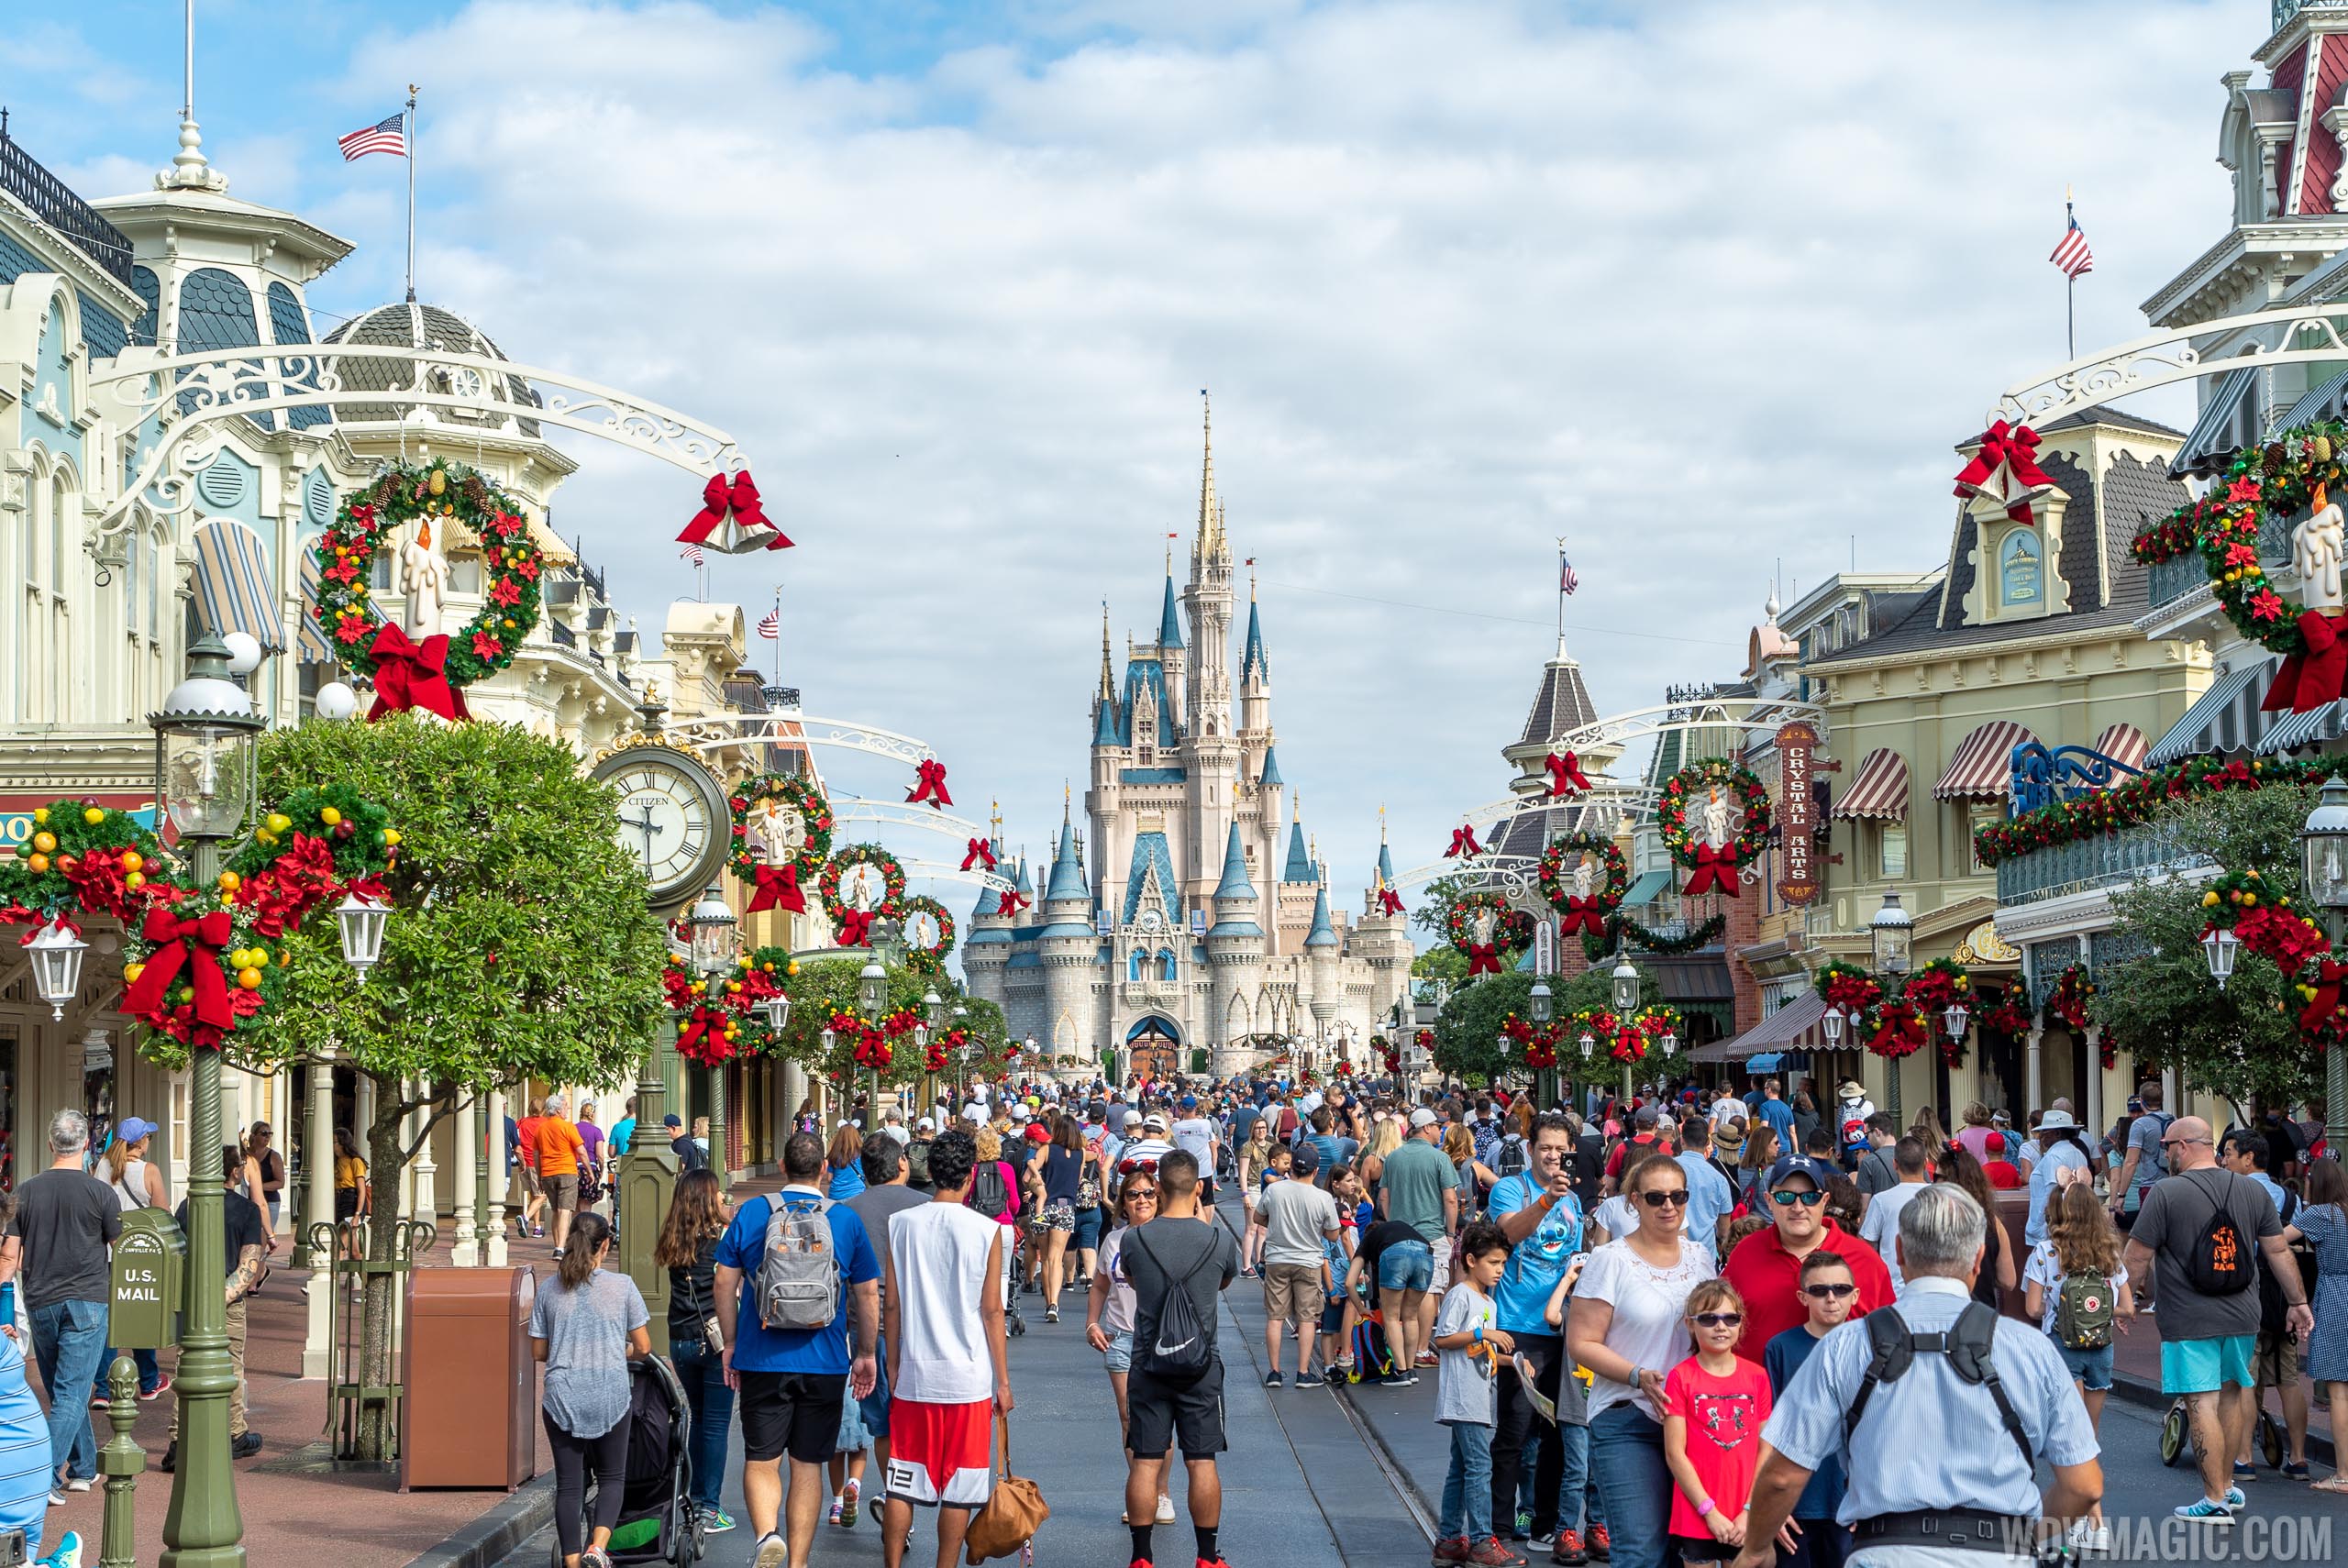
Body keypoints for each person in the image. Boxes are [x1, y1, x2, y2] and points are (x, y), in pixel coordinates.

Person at [1731, 1185, 2104, 1568]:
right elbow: (2084, 1485)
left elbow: (1781, 1477)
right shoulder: (2031, 1348)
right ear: (1978, 1259)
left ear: (1900, 1253)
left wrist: (1757, 1548)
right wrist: (2025, 1538)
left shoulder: (1846, 1345)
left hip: (1885, 1552)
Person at [2121, 1115, 2309, 1523]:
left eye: (2168, 1146)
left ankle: (2213, 1499)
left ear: (2185, 1145)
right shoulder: (2251, 1192)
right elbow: (2278, 1251)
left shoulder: (2166, 1193)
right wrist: (2298, 1301)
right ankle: (2226, 1487)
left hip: (2190, 1318)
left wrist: (2123, 1302)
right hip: (2244, 1314)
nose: (2165, 1153)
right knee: (2230, 1393)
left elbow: (2137, 1255)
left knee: (2199, 1399)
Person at [715, 1131, 882, 1568]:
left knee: (762, 1459)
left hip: (761, 1357)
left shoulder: (754, 1212)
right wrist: (865, 1354)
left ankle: (767, 1535)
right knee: (808, 1466)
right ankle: (798, 1562)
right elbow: (866, 1294)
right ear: (824, 1170)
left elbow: (723, 1281)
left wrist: (730, 1343)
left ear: (783, 1167)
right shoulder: (844, 1220)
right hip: (825, 1360)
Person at [1565, 1147, 1716, 1568]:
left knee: (1686, 1550)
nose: (1669, 1206)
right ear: (1634, 1200)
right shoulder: (1610, 1260)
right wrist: (1637, 1375)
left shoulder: (1701, 1258)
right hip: (1627, 1416)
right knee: (1641, 1551)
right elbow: (1582, 1342)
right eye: (1655, 1197)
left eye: (1678, 1197)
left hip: (1692, 1420)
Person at [879, 1127, 1013, 1568]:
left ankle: (893, 1563)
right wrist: (1003, 1381)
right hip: (968, 1376)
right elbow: (992, 1311)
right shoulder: (986, 1230)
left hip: (916, 1371)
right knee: (960, 1486)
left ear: (930, 1173)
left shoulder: (901, 1225)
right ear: (971, 1176)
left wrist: (893, 1363)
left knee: (903, 1479)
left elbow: (892, 1304)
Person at [1118, 1148, 1239, 1568]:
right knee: (1201, 1460)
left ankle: (1141, 1556)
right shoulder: (1219, 1238)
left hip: (1148, 1364)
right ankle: (1207, 1556)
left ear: (1160, 1188)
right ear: (1199, 1188)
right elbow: (1224, 1281)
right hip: (1202, 1367)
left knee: (1147, 1461)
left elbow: (1131, 1278)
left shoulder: (1134, 1238)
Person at [0, 1111, 118, 1499]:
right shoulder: (101, 1193)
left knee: (63, 1389)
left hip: (42, 1299)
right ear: (86, 1145)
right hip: (87, 1299)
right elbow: (121, 1249)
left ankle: (84, 1466)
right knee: (70, 1392)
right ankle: (41, 1478)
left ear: (52, 1144)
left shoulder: (26, 1191)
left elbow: (9, 1256)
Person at [1485, 1113, 1583, 1551]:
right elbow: (1508, 1232)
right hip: (1518, 1326)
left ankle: (1546, 1521)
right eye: (1546, 1147)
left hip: (1563, 1327)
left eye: (1561, 1149)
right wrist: (1545, 1201)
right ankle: (1500, 1528)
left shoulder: (1573, 1201)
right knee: (1515, 1431)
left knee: (1559, 1432)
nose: (1554, 1156)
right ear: (1531, 1150)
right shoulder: (1512, 1188)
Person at [531, 1213, 650, 1568]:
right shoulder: (623, 1286)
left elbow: (538, 1352)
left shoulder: (549, 1288)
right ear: (605, 1246)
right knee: (613, 1476)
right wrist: (618, 1350)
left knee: (570, 1484)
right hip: (609, 1394)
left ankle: (571, 1562)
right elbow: (643, 1347)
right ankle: (597, 1548)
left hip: (562, 1396)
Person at [2021, 1180, 2132, 1552]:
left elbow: (2033, 1309)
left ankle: (2093, 1520)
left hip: (2062, 1349)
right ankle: (2092, 1522)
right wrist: (2098, 1311)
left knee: (2070, 1438)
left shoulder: (2046, 1251)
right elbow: (2128, 1308)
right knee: (2090, 1436)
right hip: (2100, 1349)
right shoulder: (2110, 1254)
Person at [1721, 1154, 1893, 1364]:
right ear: (1769, 1201)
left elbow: (1888, 1343)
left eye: (1810, 1197)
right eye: (1785, 1197)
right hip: (1765, 1393)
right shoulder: (1745, 1255)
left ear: (1824, 1201)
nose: (1798, 1208)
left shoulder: (1865, 1261)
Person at [159, 1143, 269, 1471]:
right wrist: (220, 1296)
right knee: (232, 1365)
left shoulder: (187, 1206)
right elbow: (248, 1265)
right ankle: (235, 1433)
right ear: (236, 1172)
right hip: (227, 1301)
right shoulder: (247, 1211)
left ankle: (179, 1440)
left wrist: (198, 1296)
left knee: (185, 1367)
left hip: (191, 1299)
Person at [847, 1132, 935, 1530]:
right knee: (911, 1420)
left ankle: (897, 1498)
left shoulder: (848, 1211)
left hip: (866, 1331)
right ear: (902, 1164)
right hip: (917, 1329)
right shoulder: (925, 1206)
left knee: (881, 1424)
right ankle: (907, 1498)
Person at [2220, 1128, 2312, 1479]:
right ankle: (2299, 1458)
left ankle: (2244, 1458)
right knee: (2288, 1377)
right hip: (2284, 1295)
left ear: (2248, 1158)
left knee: (2245, 1377)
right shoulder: (2290, 1198)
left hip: (2249, 1291)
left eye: (2229, 1153)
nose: (2224, 1160)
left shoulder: (2236, 1193)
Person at [1087, 1172, 1177, 1527]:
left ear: (1160, 1198)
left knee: (1160, 1417)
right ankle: (1143, 1492)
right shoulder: (1113, 1240)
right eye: (1134, 1194)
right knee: (1130, 1417)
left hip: (1161, 1340)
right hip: (1121, 1337)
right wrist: (1092, 1323)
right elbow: (1099, 1286)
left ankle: (1162, 1492)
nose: (1142, 1200)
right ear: (1123, 1202)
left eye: (1149, 1194)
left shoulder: (1169, 1236)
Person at [1661, 1279, 1770, 1568]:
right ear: (1690, 1324)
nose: (1721, 1326)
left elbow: (1765, 1450)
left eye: (1730, 1318)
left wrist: (1750, 1510)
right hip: (1698, 1511)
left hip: (1747, 1513)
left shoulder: (1757, 1376)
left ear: (1740, 1323)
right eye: (1709, 1319)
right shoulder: (1680, 1377)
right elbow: (1675, 1453)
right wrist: (1709, 1511)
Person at [1758, 1251, 1856, 1568]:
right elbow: (1768, 1431)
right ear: (1803, 1296)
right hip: (1795, 1505)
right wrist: (1773, 1504)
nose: (1831, 1298)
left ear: (1855, 1295)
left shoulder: (1872, 1348)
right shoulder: (1781, 1348)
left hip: (1851, 1502)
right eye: (1819, 1290)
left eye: (1840, 1289)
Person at [655, 1166, 737, 1535]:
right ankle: (709, 1508)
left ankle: (689, 1496)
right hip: (715, 1341)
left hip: (681, 1340)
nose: (723, 1199)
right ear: (707, 1200)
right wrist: (730, 1221)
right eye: (718, 1194)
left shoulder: (674, 1242)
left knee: (698, 1418)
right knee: (717, 1424)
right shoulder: (720, 1247)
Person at [1431, 1221, 1519, 1567]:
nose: (1499, 1270)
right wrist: (1484, 1332)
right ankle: (1482, 1541)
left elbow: (1482, 1349)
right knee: (1480, 1468)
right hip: (1464, 1397)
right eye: (1493, 1263)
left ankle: (1450, 1540)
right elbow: (1443, 1339)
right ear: (1471, 1260)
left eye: (1502, 1264)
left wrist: (1513, 1361)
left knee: (1461, 1468)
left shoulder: (1487, 1301)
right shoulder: (1460, 1295)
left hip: (1479, 1397)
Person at [2281, 1156, 2348, 1495]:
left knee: (2339, 1392)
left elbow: (2278, 1241)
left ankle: (2344, 1474)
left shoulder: (2322, 1214)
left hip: (2337, 1297)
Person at [1252, 1138, 1342, 1387]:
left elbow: (1259, 1217)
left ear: (1291, 1168)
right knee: (1307, 1318)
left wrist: (1278, 1226)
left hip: (1277, 1259)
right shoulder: (1322, 1197)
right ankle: (1303, 1372)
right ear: (1315, 1171)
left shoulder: (1275, 1190)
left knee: (1275, 1317)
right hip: (1309, 1262)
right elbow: (1333, 1234)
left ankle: (1274, 1371)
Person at [93, 1118, 166, 1408]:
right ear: (141, 1142)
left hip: (107, 1254)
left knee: (109, 1324)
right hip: (138, 1256)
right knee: (139, 1316)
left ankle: (102, 1390)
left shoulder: (102, 1167)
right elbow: (162, 1213)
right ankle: (148, 1381)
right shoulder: (150, 1171)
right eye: (148, 1137)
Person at [1380, 1108, 1460, 1374]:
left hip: (1399, 1236)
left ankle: (1402, 1349)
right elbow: (1450, 1199)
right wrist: (1450, 1233)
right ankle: (1421, 1349)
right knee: (1428, 1291)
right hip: (1432, 1235)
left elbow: (1384, 1197)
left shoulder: (1393, 1158)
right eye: (1437, 1126)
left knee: (1399, 1297)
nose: (1440, 1131)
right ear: (1426, 1128)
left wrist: (1393, 1225)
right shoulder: (1439, 1159)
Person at [1854, 1136, 1933, 1293]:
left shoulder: (1882, 1200)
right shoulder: (1945, 1198)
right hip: (1935, 1289)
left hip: (1893, 1289)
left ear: (1895, 1164)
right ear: (1926, 1163)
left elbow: (1866, 1244)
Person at [1027, 1116, 1086, 1323]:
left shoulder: (1047, 1150)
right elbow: (1077, 1181)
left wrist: (1039, 1188)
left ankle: (1048, 1303)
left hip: (1044, 1206)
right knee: (1056, 1258)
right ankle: (1055, 1303)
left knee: (1044, 1257)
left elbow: (1027, 1177)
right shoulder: (1081, 1154)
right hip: (1066, 1207)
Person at [2023, 1109, 2092, 1251]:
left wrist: (2047, 1228)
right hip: (2071, 1225)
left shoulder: (2053, 1156)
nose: (2040, 1136)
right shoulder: (2078, 1154)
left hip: (2048, 1231)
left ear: (2057, 1133)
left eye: (2044, 1132)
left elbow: (2052, 1195)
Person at [2105, 1082, 2170, 1231]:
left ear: (2141, 1101)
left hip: (2149, 1187)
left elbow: (2131, 1162)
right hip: (2171, 1185)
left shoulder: (2140, 1125)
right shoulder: (2173, 1120)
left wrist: (2121, 1196)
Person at [537, 1094, 588, 1260]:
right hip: (566, 1171)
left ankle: (556, 1244)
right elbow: (581, 1151)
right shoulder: (568, 1127)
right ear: (558, 1110)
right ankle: (560, 1248)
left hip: (548, 1173)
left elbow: (536, 1155)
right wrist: (590, 1170)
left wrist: (539, 1176)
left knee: (555, 1210)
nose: (567, 1110)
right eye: (566, 1107)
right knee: (564, 1211)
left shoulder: (541, 1129)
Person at [1674, 1118, 1735, 1256]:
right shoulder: (1719, 1179)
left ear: (1682, 1141)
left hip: (1671, 1253)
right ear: (1708, 1142)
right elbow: (1724, 1230)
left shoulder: (1667, 1169)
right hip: (1705, 1254)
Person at [1235, 1119, 1279, 1277]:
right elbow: (1243, 1172)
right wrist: (1244, 1194)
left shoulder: (1270, 1147)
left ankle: (1259, 1261)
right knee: (1251, 1228)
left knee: (1263, 1229)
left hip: (1267, 1189)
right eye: (1258, 1128)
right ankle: (1246, 1266)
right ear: (1253, 1130)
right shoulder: (1248, 1147)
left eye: (1263, 1128)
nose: (1261, 1131)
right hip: (1253, 1188)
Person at [1170, 1098, 1220, 1207]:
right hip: (1204, 1171)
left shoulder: (1175, 1127)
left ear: (1181, 1109)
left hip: (1185, 1172)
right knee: (1207, 1203)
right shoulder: (1206, 1124)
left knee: (1186, 1203)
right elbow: (1213, 1144)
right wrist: (1213, 1170)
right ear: (1195, 1108)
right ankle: (1205, 1223)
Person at [334, 1128, 371, 1260]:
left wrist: (357, 1214)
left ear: (343, 1144)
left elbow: (361, 1190)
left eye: (335, 1143)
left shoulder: (355, 1161)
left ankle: (332, 1277)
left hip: (352, 1200)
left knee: (340, 1243)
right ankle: (366, 1279)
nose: (334, 1147)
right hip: (339, 1200)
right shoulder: (337, 1162)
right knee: (354, 1251)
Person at [1849, 1115, 1898, 1198]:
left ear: (1877, 1132)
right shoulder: (1914, 1155)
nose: (1867, 1140)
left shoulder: (1869, 1162)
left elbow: (1864, 1206)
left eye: (1867, 1135)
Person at [574, 1102, 606, 1216]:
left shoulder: (573, 1129)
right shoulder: (596, 1131)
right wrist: (601, 1169)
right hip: (590, 1168)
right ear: (592, 1115)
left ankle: (575, 1229)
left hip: (574, 1169)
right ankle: (585, 1229)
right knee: (586, 1204)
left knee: (575, 1204)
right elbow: (600, 1155)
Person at [826, 1125, 868, 1202]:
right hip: (857, 1193)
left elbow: (829, 1179)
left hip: (836, 1195)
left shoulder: (834, 1154)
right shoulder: (861, 1154)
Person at [609, 1096, 638, 1163]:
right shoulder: (644, 1127)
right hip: (639, 1165)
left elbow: (611, 1153)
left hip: (622, 1165)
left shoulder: (618, 1127)